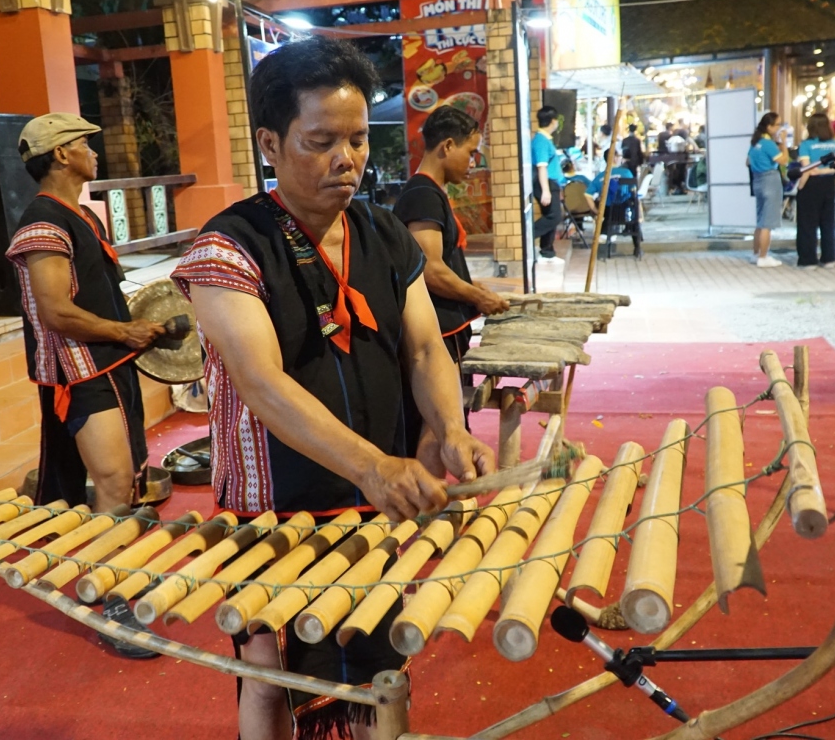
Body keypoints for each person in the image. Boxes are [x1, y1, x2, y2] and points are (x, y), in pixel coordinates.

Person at [170, 36, 497, 740]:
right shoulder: (226, 249)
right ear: (270, 142)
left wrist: (450, 427)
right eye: (321, 141)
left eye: (355, 140)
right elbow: (262, 384)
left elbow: (423, 348)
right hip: (273, 511)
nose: (347, 160)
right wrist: (374, 464)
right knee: (271, 674)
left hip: (372, 503)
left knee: (383, 669)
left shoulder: (383, 232)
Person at [4, 113, 164, 514]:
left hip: (108, 359)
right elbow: (56, 312)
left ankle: (116, 562)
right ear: (61, 153)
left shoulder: (84, 216)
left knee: (125, 478)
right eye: (84, 144)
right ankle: (105, 572)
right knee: (112, 480)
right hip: (81, 368)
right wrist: (124, 332)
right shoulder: (43, 223)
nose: (93, 153)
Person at [395, 105, 509, 366]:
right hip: (435, 333)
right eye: (470, 153)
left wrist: (470, 285)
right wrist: (476, 297)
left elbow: (442, 261)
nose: (473, 163)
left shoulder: (429, 191)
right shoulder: (423, 194)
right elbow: (430, 270)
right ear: (447, 146)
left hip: (445, 329)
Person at [795, 113, 835, 269]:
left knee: (808, 223)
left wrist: (800, 186)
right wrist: (825, 172)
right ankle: (829, 258)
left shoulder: (806, 145)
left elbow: (807, 169)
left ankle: (808, 260)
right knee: (828, 222)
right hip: (829, 184)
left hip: (811, 185)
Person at [746, 112, 788, 268]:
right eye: (777, 124)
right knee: (767, 223)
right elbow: (784, 161)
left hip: (757, 180)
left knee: (760, 220)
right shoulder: (768, 143)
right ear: (769, 126)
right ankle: (763, 257)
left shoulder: (755, 142)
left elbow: (747, 161)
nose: (779, 128)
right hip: (770, 180)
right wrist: (783, 143)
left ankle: (756, 254)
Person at [531, 105, 566, 262]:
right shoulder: (541, 141)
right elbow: (541, 166)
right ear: (553, 121)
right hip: (545, 183)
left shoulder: (545, 139)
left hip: (551, 183)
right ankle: (528, 236)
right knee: (554, 216)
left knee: (550, 215)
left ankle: (547, 252)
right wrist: (545, 190)